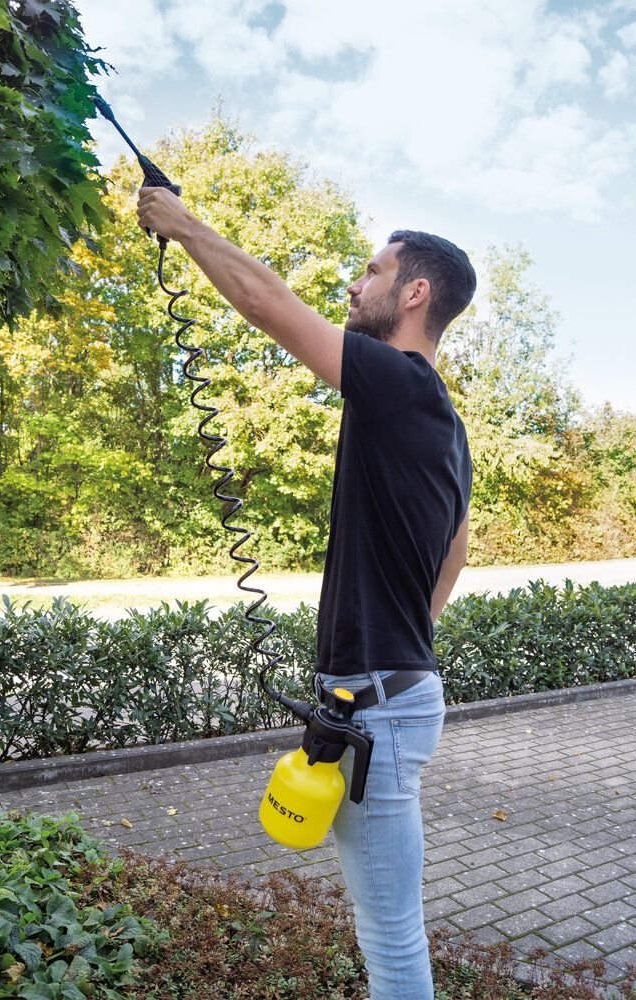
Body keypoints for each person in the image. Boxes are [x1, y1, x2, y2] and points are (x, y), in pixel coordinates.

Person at [137, 187, 476, 1000]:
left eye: (371, 272)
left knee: (389, 934)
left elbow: (268, 304)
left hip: (379, 711)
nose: (354, 287)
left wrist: (184, 227)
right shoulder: (444, 419)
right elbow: (457, 551)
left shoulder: (397, 380)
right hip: (387, 692)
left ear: (415, 293)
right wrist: (402, 647)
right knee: (385, 924)